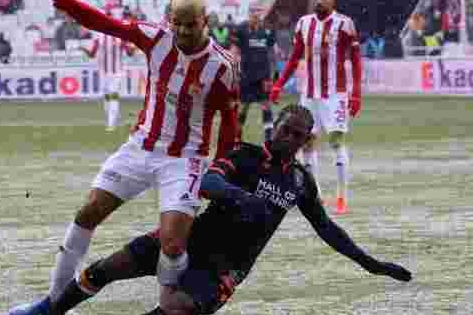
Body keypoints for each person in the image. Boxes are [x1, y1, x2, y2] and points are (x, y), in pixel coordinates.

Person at [31, 104, 413, 315]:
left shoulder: (299, 182)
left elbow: (327, 228)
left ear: (305, 141)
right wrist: (243, 197)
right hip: (189, 239)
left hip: (226, 268)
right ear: (274, 126)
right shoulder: (244, 156)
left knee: (176, 310)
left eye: (298, 136)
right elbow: (209, 183)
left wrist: (371, 263)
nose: (290, 138)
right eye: (286, 130)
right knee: (103, 269)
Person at [8, 0, 239, 313]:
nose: (183, 31)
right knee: (88, 213)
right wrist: (65, 4)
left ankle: (169, 306)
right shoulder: (155, 39)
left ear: (204, 22)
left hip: (184, 161)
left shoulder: (222, 66)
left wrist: (221, 167)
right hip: (140, 148)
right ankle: (53, 303)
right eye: (178, 23)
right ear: (169, 20)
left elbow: (229, 123)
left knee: (172, 246)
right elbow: (104, 24)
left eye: (191, 24)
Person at [269, 0, 363, 214]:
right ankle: (317, 196)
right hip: (309, 95)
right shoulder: (303, 23)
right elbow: (294, 58)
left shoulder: (344, 24)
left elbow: (356, 61)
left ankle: (341, 197)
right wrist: (278, 85)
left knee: (336, 141)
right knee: (306, 143)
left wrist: (355, 94)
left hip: (335, 95)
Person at [78, 9, 137, 132]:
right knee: (107, 96)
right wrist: (83, 49)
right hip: (104, 71)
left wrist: (135, 46)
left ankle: (111, 123)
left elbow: (129, 53)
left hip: (116, 71)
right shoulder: (99, 35)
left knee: (112, 94)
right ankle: (113, 118)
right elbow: (92, 54)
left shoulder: (119, 35)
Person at [233, 3, 277, 143]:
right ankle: (237, 137)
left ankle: (269, 138)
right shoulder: (240, 29)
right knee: (244, 106)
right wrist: (234, 68)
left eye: (259, 11)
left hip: (263, 75)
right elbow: (234, 50)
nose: (256, 14)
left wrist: (274, 72)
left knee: (266, 104)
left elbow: (271, 50)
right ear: (249, 12)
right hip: (246, 74)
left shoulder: (268, 29)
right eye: (253, 11)